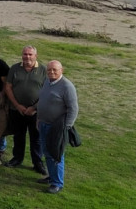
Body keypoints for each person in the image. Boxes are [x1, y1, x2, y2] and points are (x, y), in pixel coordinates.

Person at [37, 61, 79, 194]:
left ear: (62, 70)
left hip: (56, 127)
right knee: (47, 152)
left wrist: (66, 127)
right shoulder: (47, 82)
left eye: (55, 70)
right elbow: (42, 100)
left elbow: (73, 109)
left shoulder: (67, 86)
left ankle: (57, 183)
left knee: (56, 155)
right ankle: (52, 176)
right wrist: (38, 118)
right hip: (44, 124)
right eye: (49, 70)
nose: (51, 72)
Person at [4, 45, 48, 175]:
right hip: (17, 110)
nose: (27, 57)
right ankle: (17, 158)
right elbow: (8, 88)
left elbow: (47, 92)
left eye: (30, 54)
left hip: (36, 112)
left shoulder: (44, 70)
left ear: (36, 56)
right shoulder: (15, 68)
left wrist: (34, 108)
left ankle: (37, 162)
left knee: (36, 137)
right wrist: (17, 106)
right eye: (25, 54)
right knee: (19, 136)